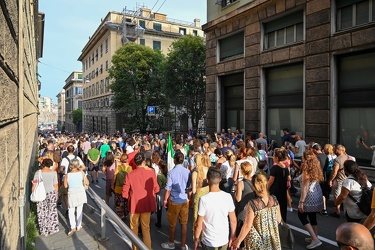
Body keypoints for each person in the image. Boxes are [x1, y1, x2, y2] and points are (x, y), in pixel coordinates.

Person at [231, 174, 282, 250]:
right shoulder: (274, 200)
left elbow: (247, 226)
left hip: (258, 242)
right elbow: (278, 219)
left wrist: (238, 241)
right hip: (271, 239)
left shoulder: (253, 204)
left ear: (254, 187)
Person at [122, 152, 160, 250]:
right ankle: (148, 248)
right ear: (144, 161)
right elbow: (157, 189)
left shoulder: (130, 175)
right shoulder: (151, 173)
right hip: (147, 204)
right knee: (146, 229)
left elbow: (124, 193)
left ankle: (135, 248)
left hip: (134, 205)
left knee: (133, 228)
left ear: (134, 162)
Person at [193, 167, 237, 250]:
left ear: (207, 180)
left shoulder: (203, 199)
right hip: (223, 239)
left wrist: (196, 239)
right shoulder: (228, 197)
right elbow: (233, 220)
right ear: (220, 180)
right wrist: (233, 236)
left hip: (208, 240)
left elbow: (199, 224)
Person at [161, 151, 190, 250]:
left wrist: (165, 200)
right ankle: (182, 245)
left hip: (174, 200)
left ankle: (171, 243)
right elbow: (189, 187)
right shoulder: (187, 172)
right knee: (184, 223)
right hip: (184, 199)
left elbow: (168, 188)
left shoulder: (171, 173)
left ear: (174, 160)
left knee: (172, 224)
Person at [297, 151, 324, 249]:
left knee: (301, 215)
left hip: (309, 196)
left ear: (305, 158)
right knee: (312, 216)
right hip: (317, 193)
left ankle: (315, 239)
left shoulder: (306, 170)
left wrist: (301, 202)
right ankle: (314, 236)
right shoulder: (316, 166)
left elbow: (305, 188)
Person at [32, 159, 59, 236]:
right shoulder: (53, 173)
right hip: (51, 193)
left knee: (42, 212)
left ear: (43, 164)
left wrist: (33, 193)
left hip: (41, 194)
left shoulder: (37, 173)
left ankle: (44, 230)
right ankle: (52, 228)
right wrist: (56, 194)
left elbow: (34, 185)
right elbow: (56, 185)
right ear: (50, 165)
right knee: (52, 211)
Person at [63, 158, 89, 236]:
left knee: (71, 209)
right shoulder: (81, 173)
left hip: (72, 193)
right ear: (78, 165)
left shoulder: (67, 175)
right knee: (79, 209)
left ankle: (72, 227)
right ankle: (78, 226)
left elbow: (65, 185)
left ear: (70, 166)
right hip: (81, 192)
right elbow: (87, 182)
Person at [234, 161, 255, 248]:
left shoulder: (241, 183)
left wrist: (235, 192)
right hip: (253, 210)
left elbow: (238, 198)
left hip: (242, 211)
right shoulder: (254, 182)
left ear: (242, 171)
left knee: (240, 231)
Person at [268, 148, 290, 222]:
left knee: (274, 207)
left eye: (274, 156)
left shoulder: (274, 168)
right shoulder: (285, 168)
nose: (273, 158)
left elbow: (271, 180)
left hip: (275, 190)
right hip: (283, 189)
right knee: (283, 207)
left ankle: (275, 222)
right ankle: (282, 222)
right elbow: (289, 178)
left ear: (277, 158)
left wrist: (266, 187)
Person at [328, 144, 349, 218]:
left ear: (337, 150)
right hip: (348, 180)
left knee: (337, 196)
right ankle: (348, 212)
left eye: (334, 149)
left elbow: (334, 172)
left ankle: (337, 211)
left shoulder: (337, 159)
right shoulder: (350, 158)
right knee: (347, 196)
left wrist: (330, 180)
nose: (333, 151)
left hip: (339, 180)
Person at [112, 153, 132, 220]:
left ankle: (121, 215)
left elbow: (114, 177)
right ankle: (125, 213)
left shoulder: (118, 167)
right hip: (126, 188)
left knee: (118, 202)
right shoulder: (130, 168)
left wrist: (112, 184)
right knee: (125, 202)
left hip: (118, 187)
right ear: (127, 160)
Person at [155, 160, 168, 228]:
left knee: (159, 208)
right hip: (167, 191)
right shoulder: (167, 174)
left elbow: (159, 185)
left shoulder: (159, 176)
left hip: (160, 192)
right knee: (167, 207)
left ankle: (159, 222)